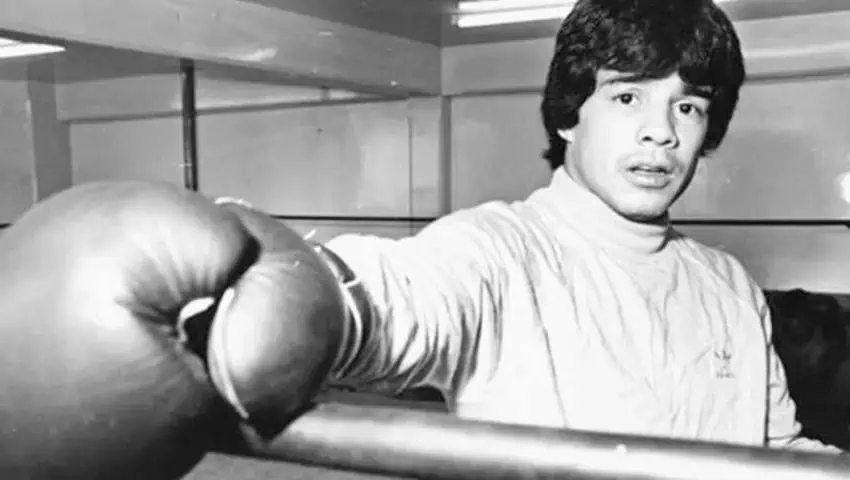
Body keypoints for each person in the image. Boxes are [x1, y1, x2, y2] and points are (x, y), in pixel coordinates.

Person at [312, 0, 840, 451]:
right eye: (627, 97)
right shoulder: (499, 252)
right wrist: (296, 287)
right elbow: (391, 299)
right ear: (568, 115)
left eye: (687, 106)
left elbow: (775, 451)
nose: (661, 132)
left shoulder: (729, 285)